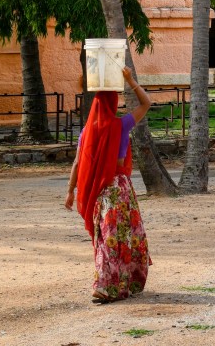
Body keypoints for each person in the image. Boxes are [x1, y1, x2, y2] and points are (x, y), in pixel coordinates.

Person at [64, 66, 152, 303]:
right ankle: (117, 283)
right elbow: (146, 103)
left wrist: (70, 191)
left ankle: (106, 284)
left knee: (106, 237)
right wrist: (131, 81)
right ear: (113, 104)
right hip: (119, 189)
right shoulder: (121, 125)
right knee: (123, 236)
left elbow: (77, 163)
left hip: (98, 191)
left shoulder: (86, 133)